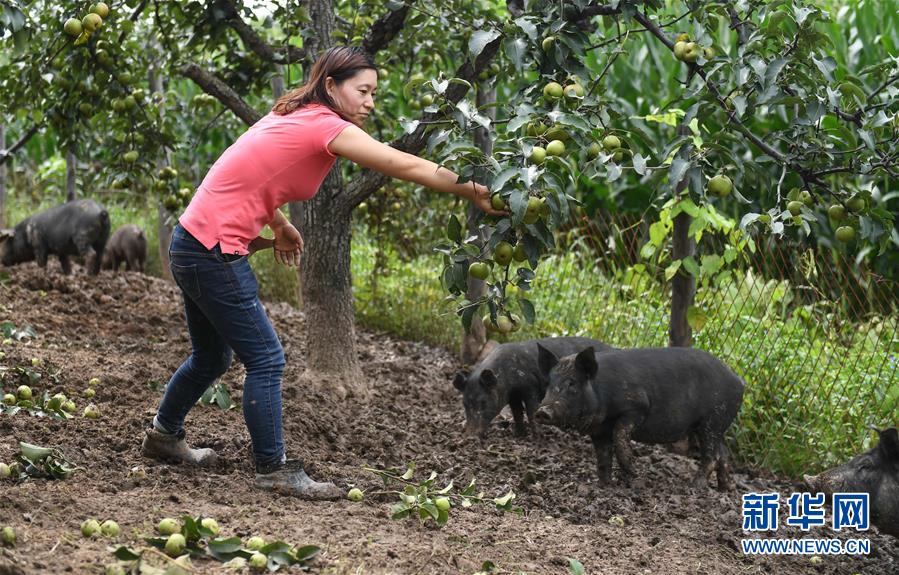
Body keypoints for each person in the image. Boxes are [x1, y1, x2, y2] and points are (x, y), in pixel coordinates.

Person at [140, 46, 505, 499]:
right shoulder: (325, 125)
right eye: (363, 91)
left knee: (213, 358)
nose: (370, 102)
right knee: (266, 358)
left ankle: (164, 436)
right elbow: (404, 163)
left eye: (374, 93)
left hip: (193, 242)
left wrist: (279, 223)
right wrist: (474, 190)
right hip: (212, 250)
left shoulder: (295, 113)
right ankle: (273, 469)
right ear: (331, 85)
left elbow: (253, 175)